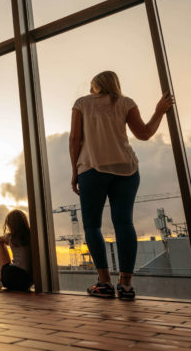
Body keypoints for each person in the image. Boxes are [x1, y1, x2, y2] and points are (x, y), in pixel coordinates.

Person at [69, 70, 173, 300]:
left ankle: (104, 284)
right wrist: (159, 111)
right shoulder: (126, 102)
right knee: (124, 223)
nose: (89, 91)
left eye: (91, 86)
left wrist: (74, 171)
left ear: (95, 85)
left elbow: (75, 139)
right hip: (126, 169)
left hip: (92, 168)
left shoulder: (82, 103)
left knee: (92, 226)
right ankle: (125, 286)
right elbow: (144, 133)